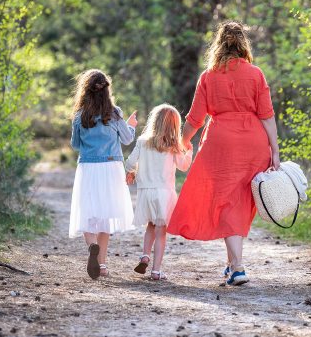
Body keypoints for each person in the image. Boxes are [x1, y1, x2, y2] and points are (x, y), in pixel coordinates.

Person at [167, 20, 280, 286]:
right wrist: (275, 150)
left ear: (218, 44)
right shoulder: (255, 74)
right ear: (244, 44)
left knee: (227, 203)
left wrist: (181, 142)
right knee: (238, 202)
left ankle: (237, 267)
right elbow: (267, 116)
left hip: (220, 144)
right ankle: (233, 266)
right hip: (253, 144)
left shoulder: (208, 76)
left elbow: (195, 118)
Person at [69, 69, 138, 280]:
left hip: (89, 168)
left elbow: (75, 145)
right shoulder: (115, 113)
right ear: (106, 91)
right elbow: (127, 139)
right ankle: (104, 266)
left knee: (88, 213)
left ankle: (92, 247)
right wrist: (131, 126)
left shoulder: (80, 116)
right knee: (106, 216)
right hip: (111, 168)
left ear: (85, 91)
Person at [125, 104, 193, 280]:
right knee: (161, 231)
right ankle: (156, 271)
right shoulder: (174, 145)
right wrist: (190, 152)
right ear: (175, 126)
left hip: (146, 193)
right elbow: (184, 166)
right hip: (164, 193)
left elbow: (131, 161)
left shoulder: (142, 142)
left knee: (150, 225)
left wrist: (131, 172)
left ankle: (145, 255)